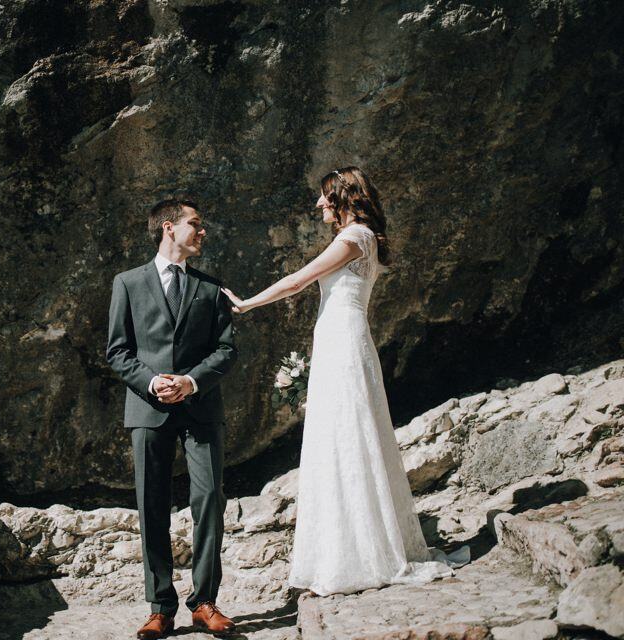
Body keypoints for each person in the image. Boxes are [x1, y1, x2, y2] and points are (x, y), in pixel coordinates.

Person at [222, 167, 459, 596]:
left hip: (344, 341)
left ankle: (361, 554)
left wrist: (246, 304)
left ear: (342, 198)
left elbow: (298, 280)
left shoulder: (353, 238)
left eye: (323, 198)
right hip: (337, 339)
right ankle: (347, 547)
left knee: (349, 435)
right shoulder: (359, 238)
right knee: (341, 436)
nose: (318, 205)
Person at [106, 198, 239, 639]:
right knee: (152, 507)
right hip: (147, 410)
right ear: (169, 227)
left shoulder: (211, 287)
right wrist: (151, 382)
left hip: (201, 409)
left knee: (209, 503)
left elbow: (226, 349)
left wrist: (191, 381)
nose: (203, 232)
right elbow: (118, 351)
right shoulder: (127, 283)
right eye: (195, 225)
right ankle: (159, 606)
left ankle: (204, 602)